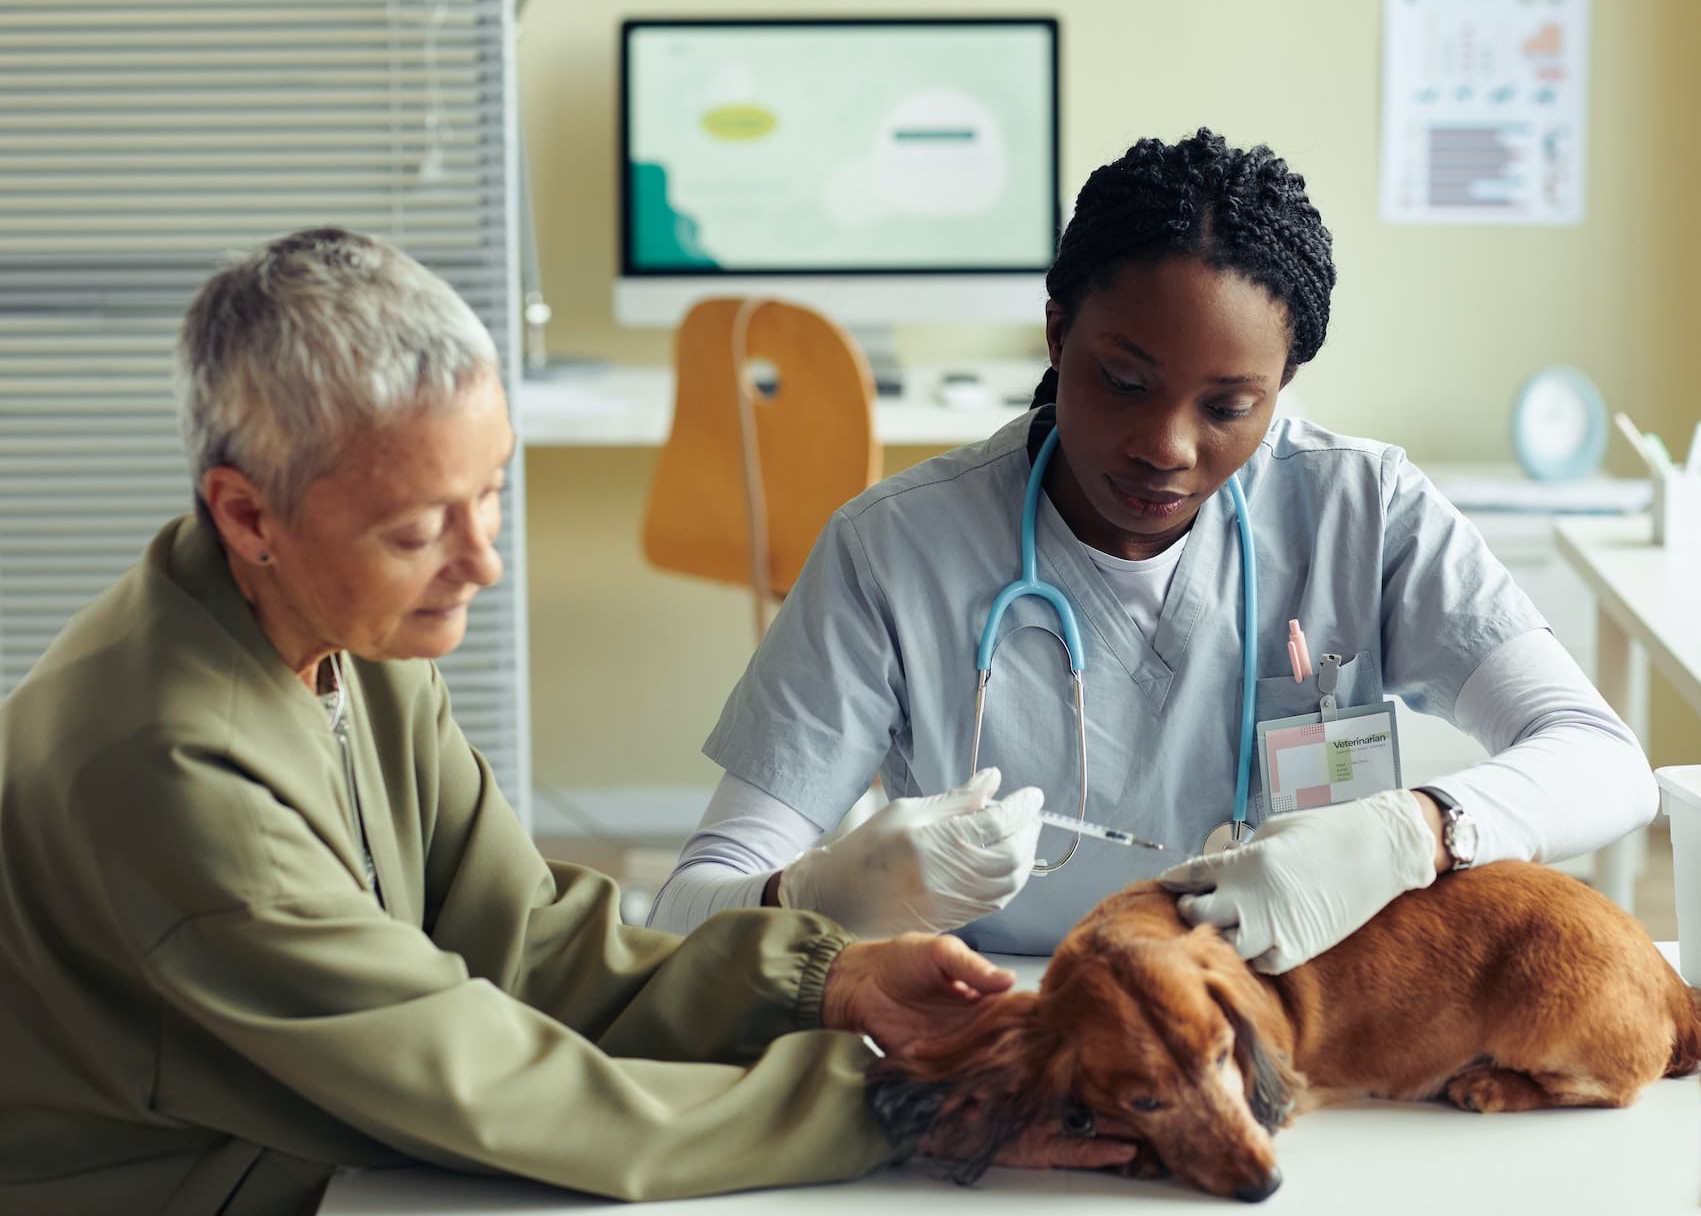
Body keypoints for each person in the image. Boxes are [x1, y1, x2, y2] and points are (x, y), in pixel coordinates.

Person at [0, 229, 1128, 1214]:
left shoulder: (344, 629)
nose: (480, 560)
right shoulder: (174, 772)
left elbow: (521, 938)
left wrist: (822, 982)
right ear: (248, 513)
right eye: (416, 530)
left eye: (490, 490)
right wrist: (904, 1106)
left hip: (317, 1143)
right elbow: (491, 1083)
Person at [653, 129, 1657, 968]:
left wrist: (1411, 830)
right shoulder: (894, 552)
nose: (1166, 447)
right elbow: (675, 916)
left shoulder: (1362, 510)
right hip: (1006, 1025)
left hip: (1287, 1021)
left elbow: (1605, 762)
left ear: (1282, 386)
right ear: (1056, 333)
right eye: (1124, 382)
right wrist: (821, 891)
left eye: (1227, 407)